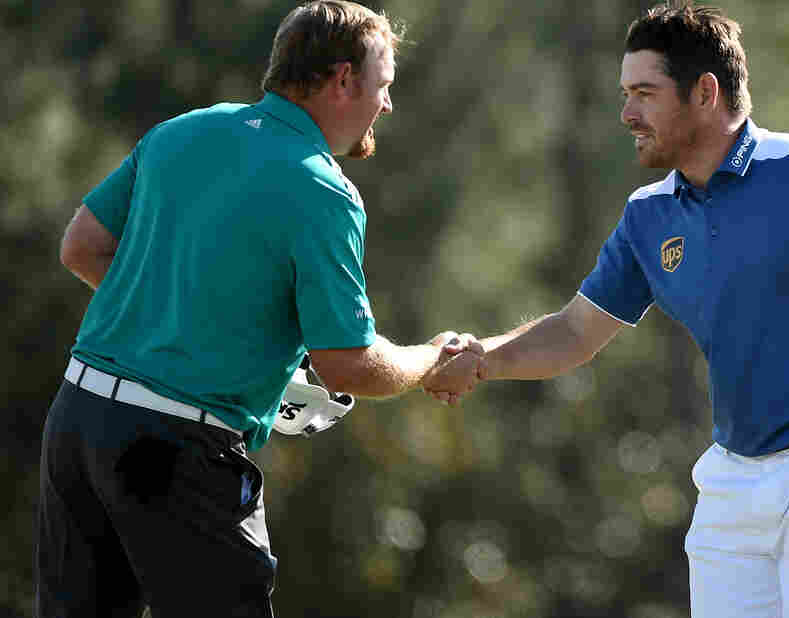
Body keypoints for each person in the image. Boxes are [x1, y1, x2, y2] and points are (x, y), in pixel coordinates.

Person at [445, 2, 789, 616]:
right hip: (733, 476)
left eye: (645, 94)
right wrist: (483, 359)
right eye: (625, 94)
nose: (627, 113)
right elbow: (575, 331)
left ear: (705, 93)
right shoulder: (648, 215)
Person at [37, 2, 480, 616]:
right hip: (179, 448)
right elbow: (348, 364)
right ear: (343, 80)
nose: (386, 105)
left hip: (77, 419)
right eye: (383, 85)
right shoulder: (323, 189)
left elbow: (82, 247)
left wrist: (193, 325)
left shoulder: (182, 130)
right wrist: (430, 359)